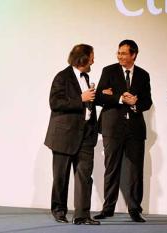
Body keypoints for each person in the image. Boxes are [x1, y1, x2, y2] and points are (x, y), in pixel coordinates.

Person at [94, 39, 152, 222]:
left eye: (124, 53)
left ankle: (135, 209)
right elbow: (100, 97)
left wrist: (135, 104)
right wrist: (120, 98)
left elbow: (147, 101)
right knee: (111, 168)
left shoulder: (143, 75)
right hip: (112, 127)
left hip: (135, 129)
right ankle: (108, 208)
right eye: (118, 52)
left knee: (136, 170)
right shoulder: (109, 71)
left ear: (133, 55)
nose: (119, 56)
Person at [44, 44, 100, 225]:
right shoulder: (62, 77)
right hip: (64, 135)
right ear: (83, 58)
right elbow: (55, 102)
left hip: (85, 135)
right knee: (61, 176)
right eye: (92, 56)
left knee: (85, 176)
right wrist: (80, 99)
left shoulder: (87, 77)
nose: (94, 60)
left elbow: (88, 103)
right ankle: (59, 210)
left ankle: (82, 215)